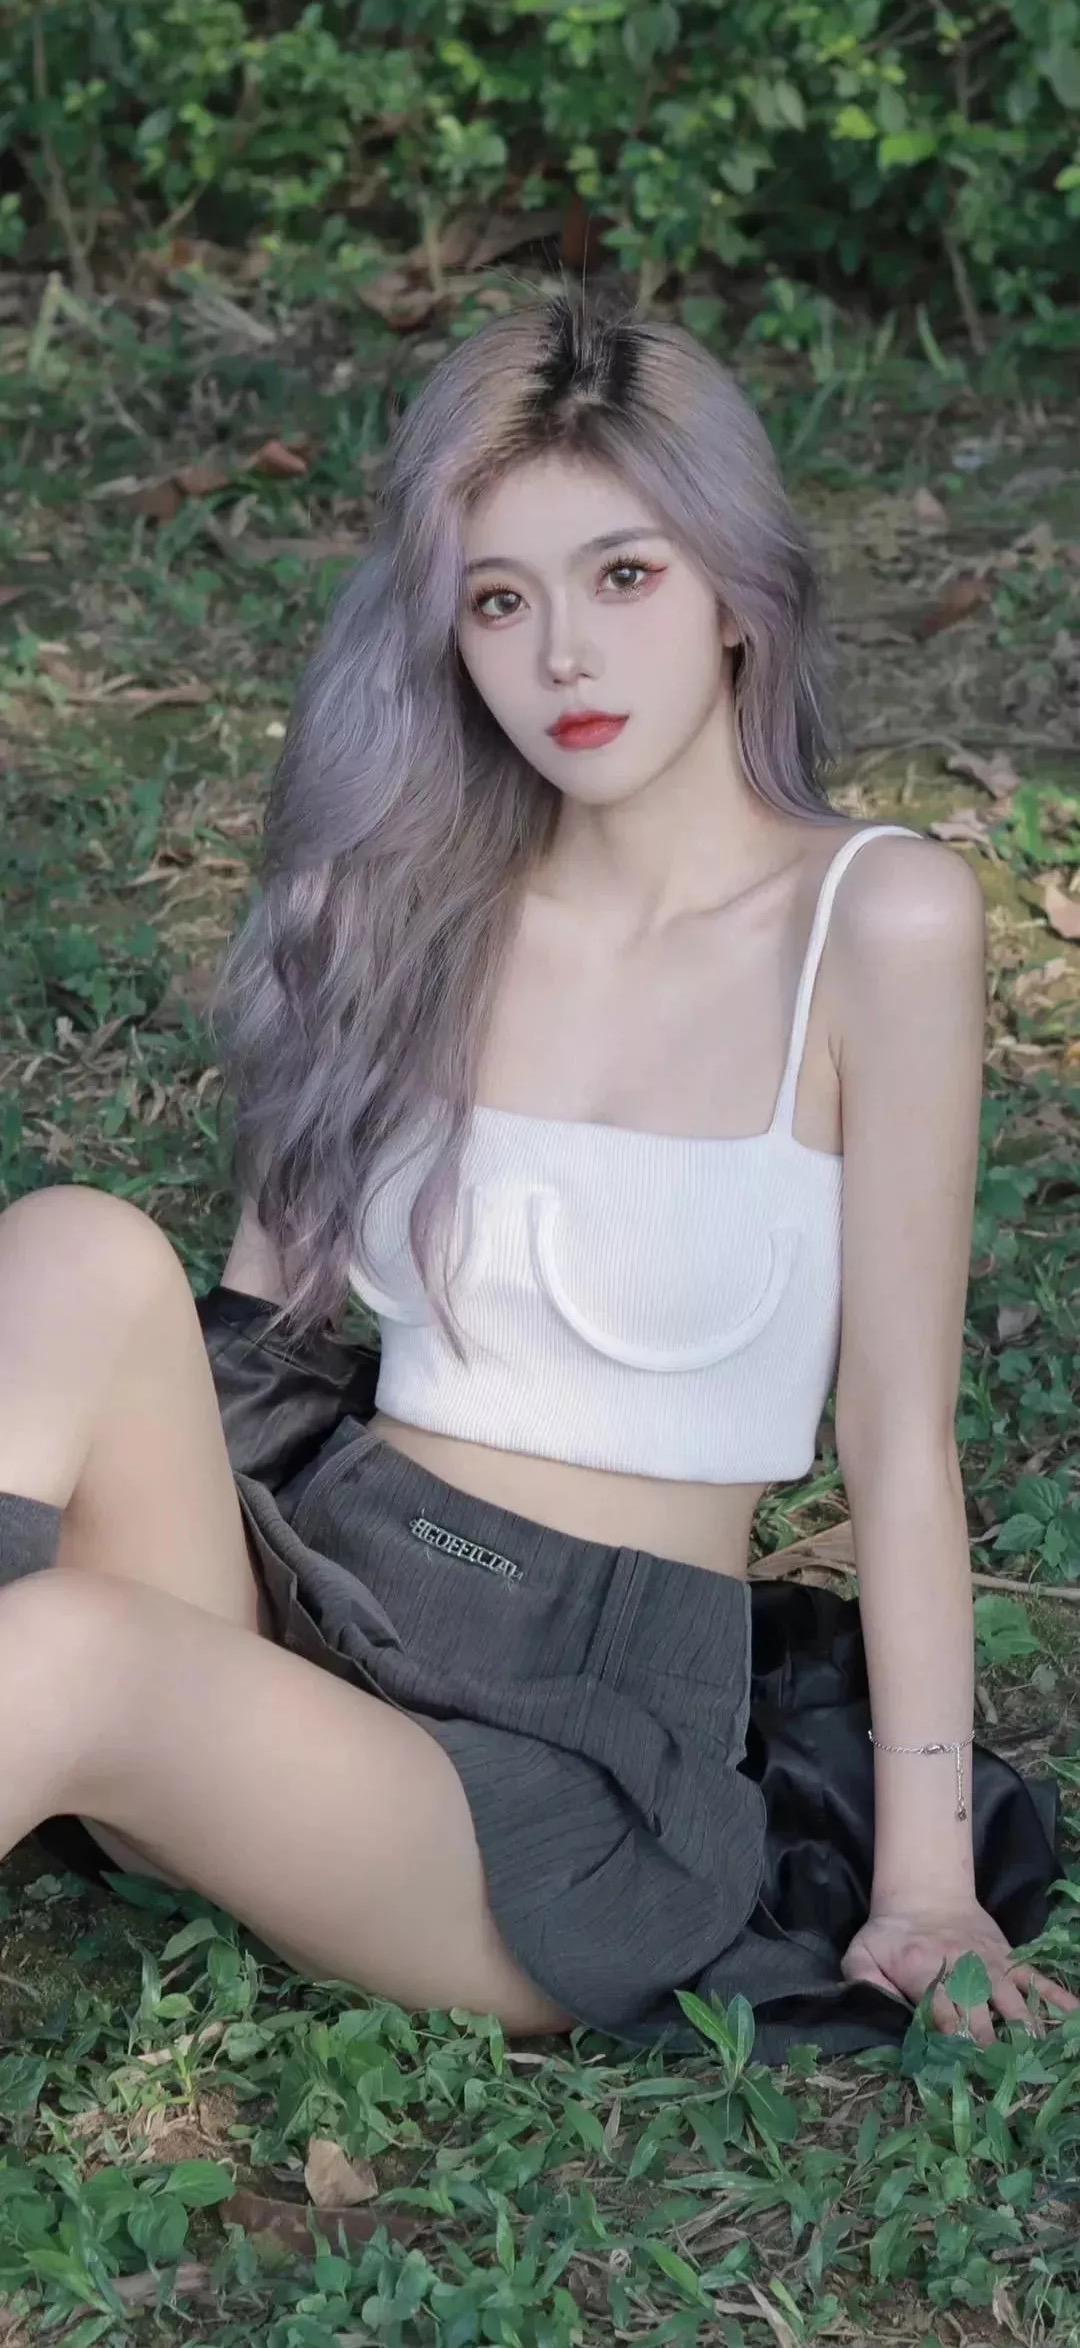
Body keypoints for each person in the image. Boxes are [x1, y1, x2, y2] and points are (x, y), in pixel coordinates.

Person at [3, 287, 1075, 2069]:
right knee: (78, 1244)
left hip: (563, 1768)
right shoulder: (412, 899)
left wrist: (926, 1885)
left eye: (623, 576)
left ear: (735, 591)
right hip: (312, 1600)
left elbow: (902, 1445)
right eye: (501, 600)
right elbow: (250, 1350)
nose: (564, 656)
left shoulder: (875, 921)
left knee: (66, 1653)